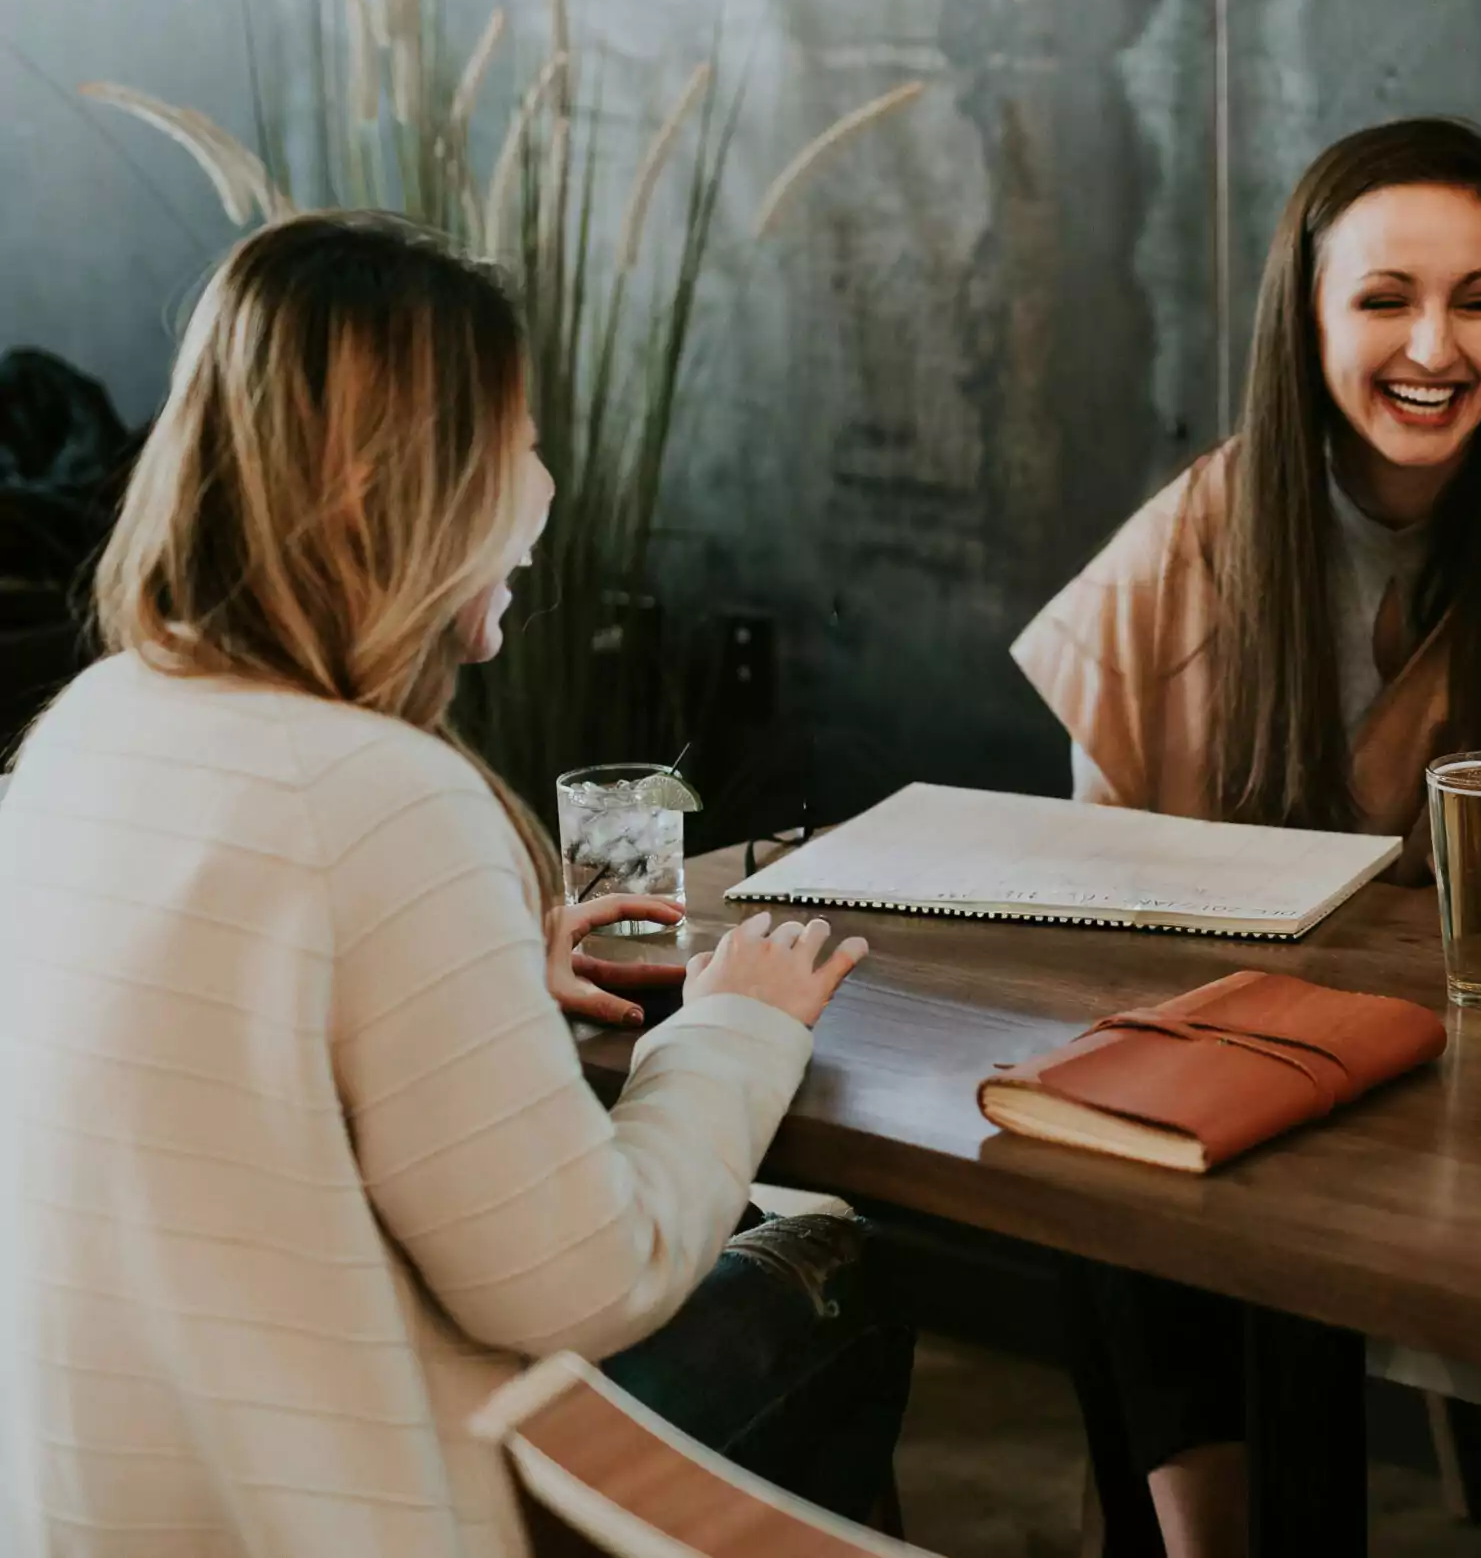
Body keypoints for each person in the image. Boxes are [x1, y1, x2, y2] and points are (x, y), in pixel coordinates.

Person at [0, 213, 910, 1558]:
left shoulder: (86, 727)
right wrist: (740, 1024)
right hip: (339, 1514)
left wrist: (477, 965)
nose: (543, 487)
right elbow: (583, 1278)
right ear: (394, 484)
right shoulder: (381, 794)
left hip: (103, 1509)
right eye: (520, 442)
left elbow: (212, 1064)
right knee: (845, 1275)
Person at [1012, 116, 1481, 1555]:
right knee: (1097, 1139)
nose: (1436, 347)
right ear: (1309, 316)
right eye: (1386, 298)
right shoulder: (1207, 524)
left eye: (1480, 299)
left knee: (1224, 1181)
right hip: (1229, 1071)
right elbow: (1096, 876)